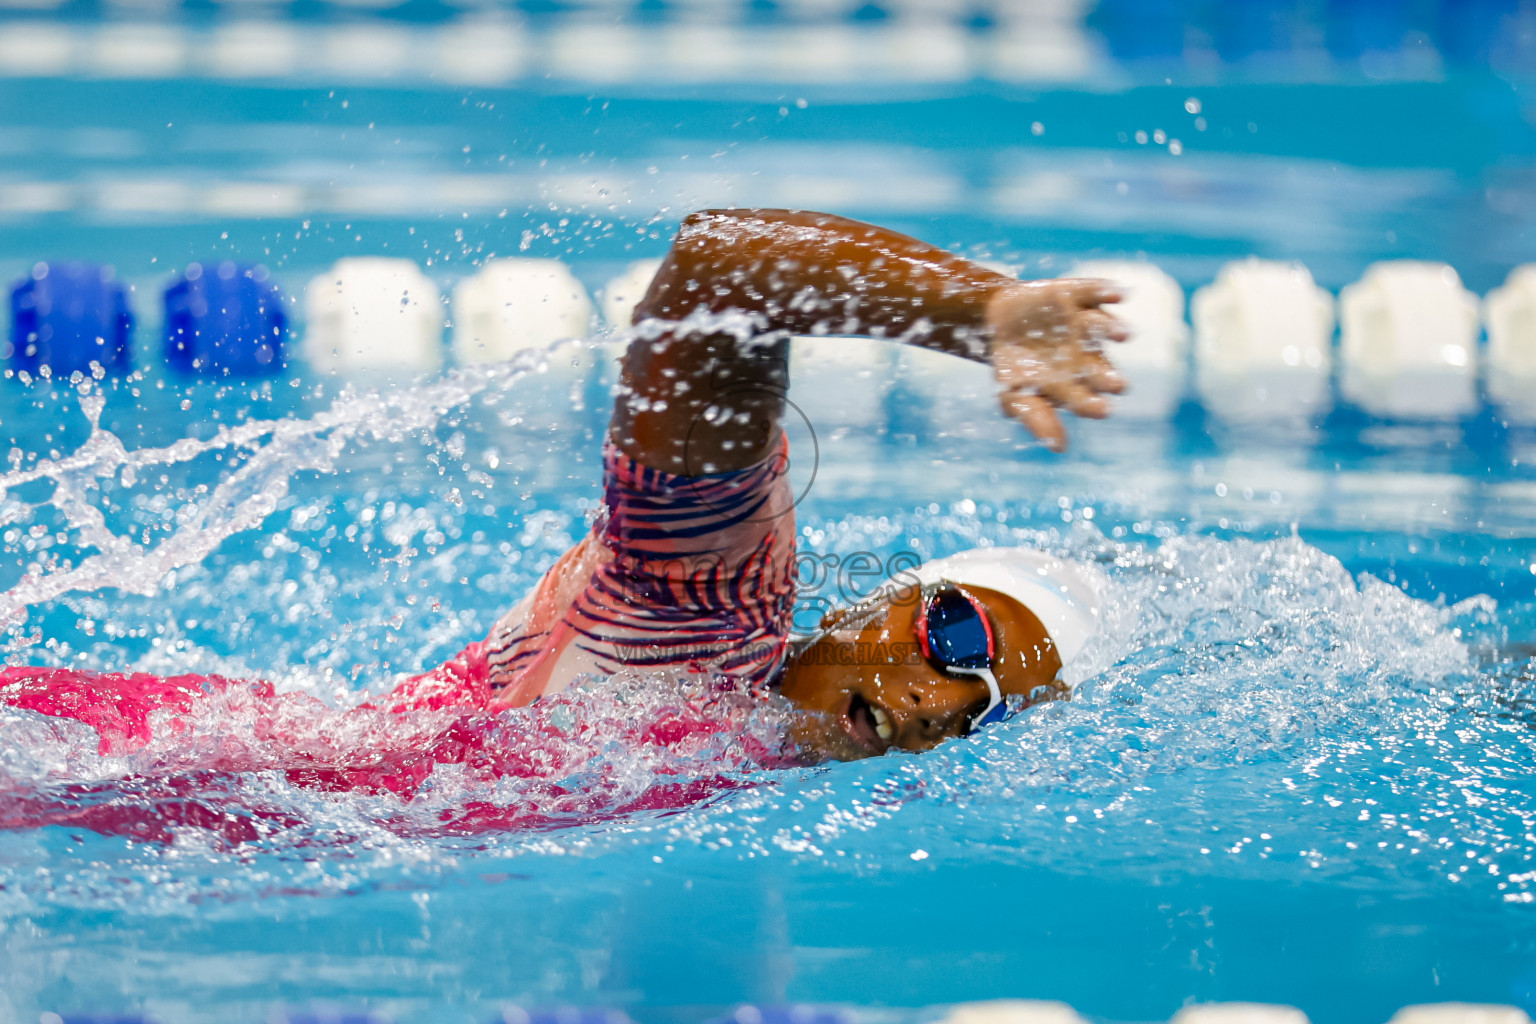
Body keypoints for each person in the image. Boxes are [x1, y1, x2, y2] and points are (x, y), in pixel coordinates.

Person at [1, 208, 1128, 770]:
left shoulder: (726, 748)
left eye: (987, 708)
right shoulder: (710, 617)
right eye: (956, 630)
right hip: (92, 764)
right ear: (875, 600)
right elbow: (720, 270)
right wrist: (978, 311)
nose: (941, 695)